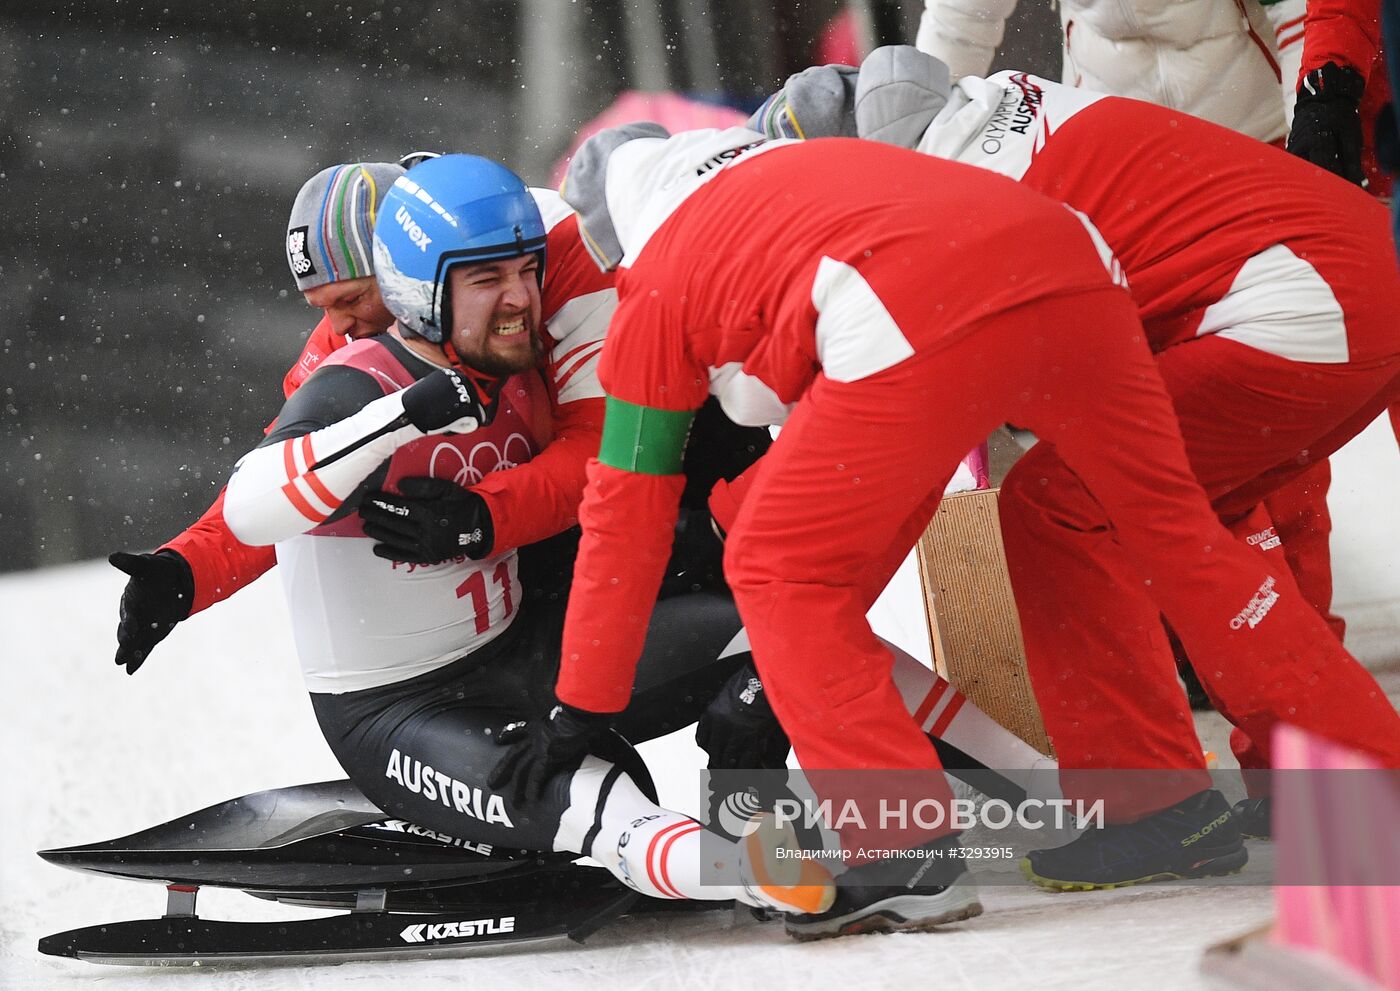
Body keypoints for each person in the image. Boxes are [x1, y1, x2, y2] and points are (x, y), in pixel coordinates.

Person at [486, 122, 1394, 937]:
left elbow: (625, 515)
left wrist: (585, 704)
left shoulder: (658, 282)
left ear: (620, 236)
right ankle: (1330, 791)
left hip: (918, 310)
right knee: (1172, 533)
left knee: (777, 568)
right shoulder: (809, 173)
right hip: (1070, 267)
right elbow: (890, 463)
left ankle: (901, 845)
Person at [749, 47, 1400, 861]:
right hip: (1348, 282)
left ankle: (1154, 807)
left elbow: (913, 449)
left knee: (1060, 509)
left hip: (1291, 309)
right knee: (1196, 527)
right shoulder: (989, 112)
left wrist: (784, 595)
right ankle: (1311, 776)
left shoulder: (943, 210)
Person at [218, 153, 832, 916]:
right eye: (486, 280)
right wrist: (404, 415)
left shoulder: (518, 356)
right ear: (413, 281)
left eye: (525, 273)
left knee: (785, 632)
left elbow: (600, 471)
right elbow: (254, 503)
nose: (518, 302)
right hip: (404, 711)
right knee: (604, 806)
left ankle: (958, 813)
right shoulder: (347, 374)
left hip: (522, 649)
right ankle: (773, 866)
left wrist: (483, 517)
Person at [109, 161, 406, 675]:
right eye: (321, 306)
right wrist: (185, 570)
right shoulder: (337, 348)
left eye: (352, 298)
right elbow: (277, 491)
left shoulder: (508, 301)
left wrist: (486, 520)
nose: (340, 327)